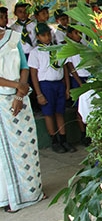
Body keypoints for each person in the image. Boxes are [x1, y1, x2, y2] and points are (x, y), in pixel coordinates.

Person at [0, 18, 44, 212]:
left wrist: (19, 94)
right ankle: (8, 197)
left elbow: (24, 66)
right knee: (4, 152)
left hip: (20, 98)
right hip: (3, 99)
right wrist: (17, 86)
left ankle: (31, 193)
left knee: (25, 145)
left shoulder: (12, 37)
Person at [28, 23, 76, 154]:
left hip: (59, 84)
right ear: (38, 37)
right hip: (45, 85)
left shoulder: (58, 49)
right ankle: (54, 140)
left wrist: (67, 87)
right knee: (49, 114)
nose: (47, 37)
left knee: (60, 112)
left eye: (48, 34)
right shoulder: (35, 52)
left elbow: (65, 69)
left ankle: (63, 139)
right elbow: (33, 74)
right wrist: (38, 93)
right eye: (43, 35)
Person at [64, 26, 91, 146]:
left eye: (80, 33)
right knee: (80, 108)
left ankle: (91, 133)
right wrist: (79, 83)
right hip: (78, 79)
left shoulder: (84, 45)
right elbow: (71, 67)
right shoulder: (69, 48)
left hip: (88, 77)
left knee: (90, 106)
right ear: (69, 35)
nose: (79, 36)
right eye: (76, 33)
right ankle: (83, 133)